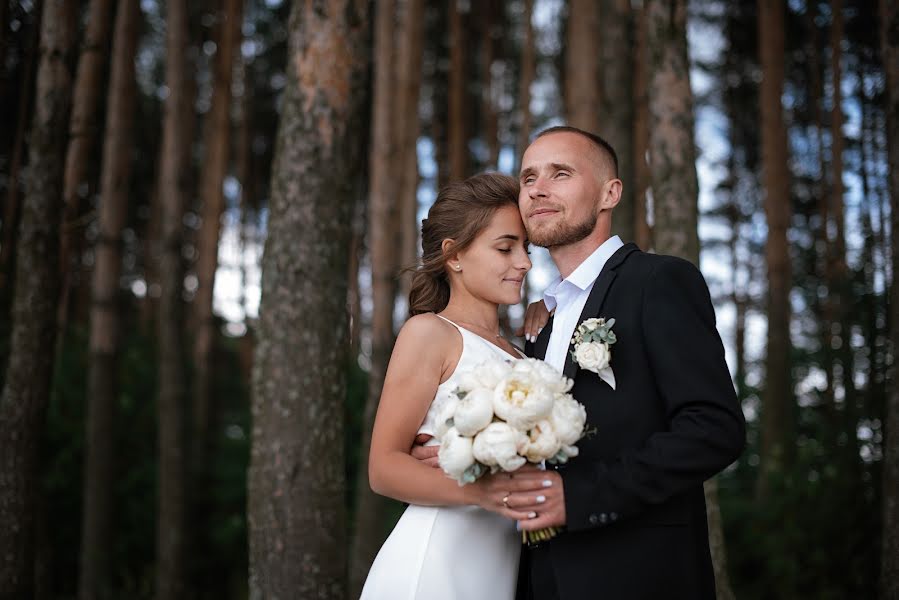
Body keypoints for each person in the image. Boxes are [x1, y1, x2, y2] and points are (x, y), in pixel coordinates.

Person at [414, 126, 746, 599]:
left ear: (611, 193)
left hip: (639, 574)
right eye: (528, 178)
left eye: (560, 174)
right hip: (533, 575)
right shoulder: (539, 322)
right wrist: (453, 452)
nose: (538, 190)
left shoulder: (658, 282)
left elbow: (714, 429)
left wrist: (581, 498)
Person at [360, 172, 546, 600]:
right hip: (435, 562)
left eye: (525, 248)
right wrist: (482, 492)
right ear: (454, 256)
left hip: (499, 565)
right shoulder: (429, 333)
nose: (525, 263)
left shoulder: (522, 353)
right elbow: (383, 468)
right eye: (505, 248)